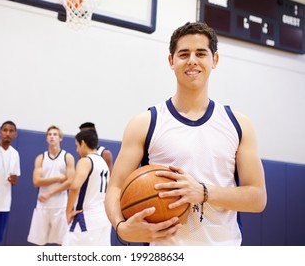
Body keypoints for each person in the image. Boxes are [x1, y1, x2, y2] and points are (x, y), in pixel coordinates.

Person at [105, 21, 267, 246]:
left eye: (201, 53)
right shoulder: (145, 122)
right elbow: (115, 187)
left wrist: (203, 192)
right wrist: (121, 228)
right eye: (184, 54)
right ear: (171, 61)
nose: (192, 60)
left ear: (215, 60)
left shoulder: (238, 124)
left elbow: (258, 198)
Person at [27, 125, 75, 246]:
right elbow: (36, 181)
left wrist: (50, 193)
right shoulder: (41, 158)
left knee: (62, 243)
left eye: (55, 134)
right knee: (39, 243)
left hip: (61, 206)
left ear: (60, 138)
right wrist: (58, 178)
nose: (52, 136)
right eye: (49, 134)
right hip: (43, 206)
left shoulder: (67, 157)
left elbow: (70, 182)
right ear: (46, 138)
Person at [63, 129, 111, 246]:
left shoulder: (86, 161)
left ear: (83, 143)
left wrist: (68, 211)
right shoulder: (103, 162)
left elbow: (74, 187)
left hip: (87, 219)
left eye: (77, 145)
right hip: (103, 219)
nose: (77, 150)